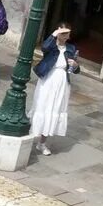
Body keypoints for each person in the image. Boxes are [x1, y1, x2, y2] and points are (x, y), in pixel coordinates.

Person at [30, 22, 80, 155]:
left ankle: (42, 142)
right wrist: (54, 34)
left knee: (55, 108)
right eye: (63, 33)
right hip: (48, 78)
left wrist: (75, 65)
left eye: (67, 33)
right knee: (42, 105)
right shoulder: (51, 46)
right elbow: (45, 47)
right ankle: (32, 135)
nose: (65, 36)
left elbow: (75, 70)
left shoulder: (71, 48)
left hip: (62, 80)